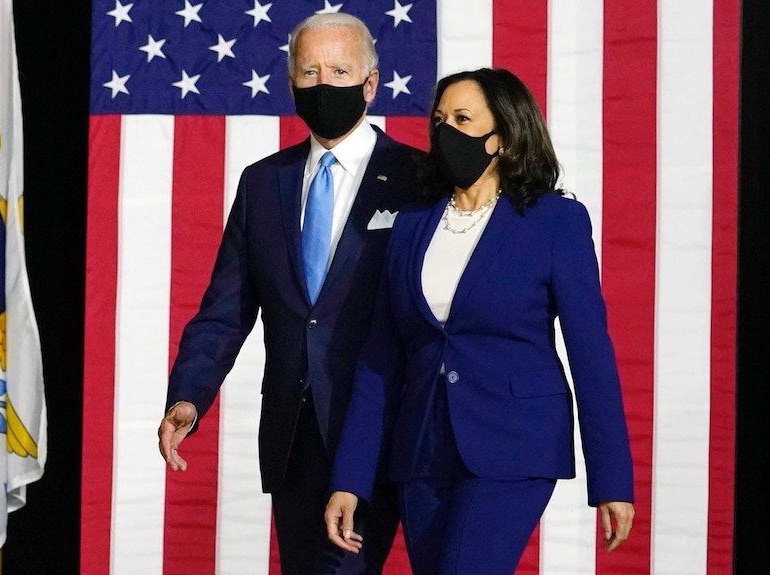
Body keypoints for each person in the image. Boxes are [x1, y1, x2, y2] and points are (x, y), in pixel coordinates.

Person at [324, 67, 636, 574]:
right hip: (422, 451)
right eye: (440, 119)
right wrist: (350, 479)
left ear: (504, 137)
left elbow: (591, 355)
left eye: (463, 119)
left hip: (513, 447)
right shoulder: (409, 226)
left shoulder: (555, 221)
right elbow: (380, 361)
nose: (445, 131)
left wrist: (613, 481)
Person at [157, 12, 417, 575]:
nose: (324, 84)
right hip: (293, 437)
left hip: (382, 431)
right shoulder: (261, 183)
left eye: (341, 70)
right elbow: (224, 312)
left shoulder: (418, 179)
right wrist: (188, 397)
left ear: (371, 84)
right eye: (310, 71)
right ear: (292, 83)